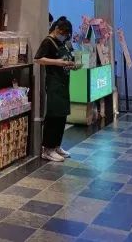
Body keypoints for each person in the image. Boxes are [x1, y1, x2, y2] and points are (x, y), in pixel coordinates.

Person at [34, 16, 77, 162]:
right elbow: (38, 59)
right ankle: (48, 149)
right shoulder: (48, 42)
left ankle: (57, 145)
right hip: (54, 84)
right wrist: (58, 62)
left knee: (62, 115)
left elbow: (68, 58)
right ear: (57, 29)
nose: (64, 36)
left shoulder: (62, 42)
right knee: (53, 115)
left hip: (64, 83)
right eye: (63, 33)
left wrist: (72, 65)